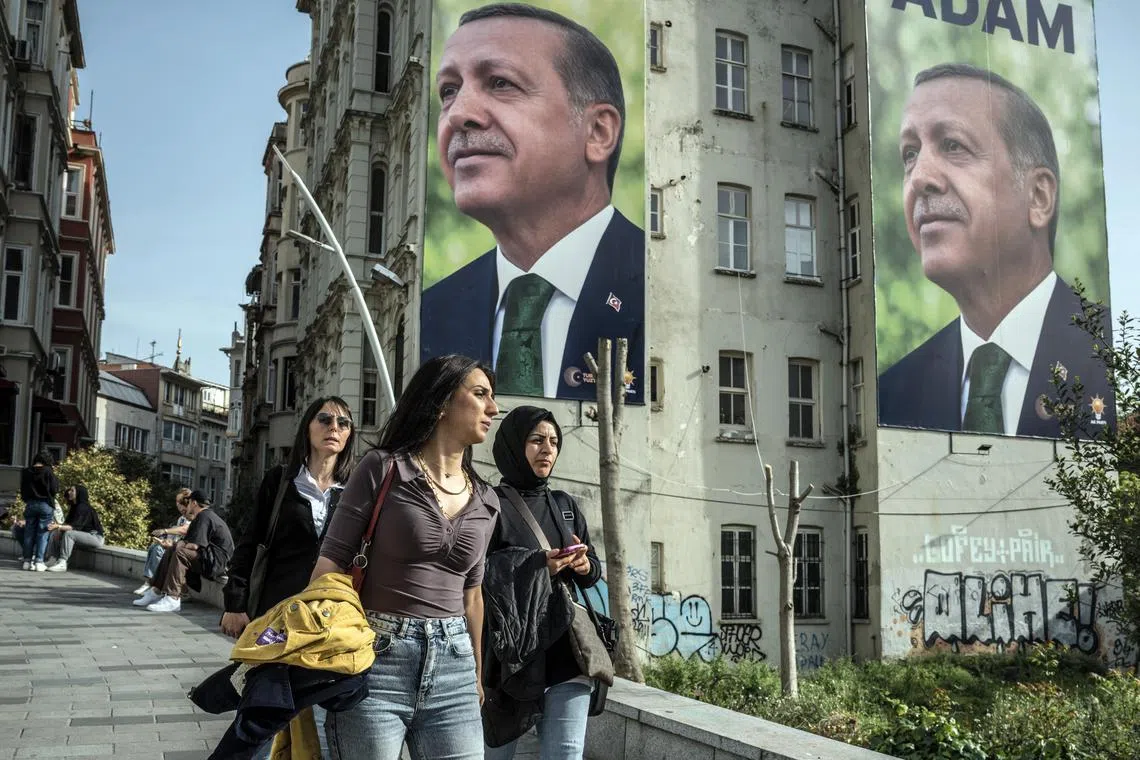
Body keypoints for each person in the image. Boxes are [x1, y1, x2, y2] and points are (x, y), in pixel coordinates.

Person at [421, 3, 645, 402]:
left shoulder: (663, 285)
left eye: (500, 83)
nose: (458, 114)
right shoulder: (430, 312)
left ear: (598, 132)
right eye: (449, 91)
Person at [878, 63, 1113, 437]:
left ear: (1038, 196)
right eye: (910, 154)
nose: (919, 177)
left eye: (952, 145)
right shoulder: (890, 397)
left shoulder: (1116, 354)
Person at [310, 354, 501, 760]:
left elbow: (473, 596)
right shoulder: (383, 469)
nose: (493, 408)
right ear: (442, 401)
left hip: (455, 669)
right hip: (375, 660)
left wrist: (477, 673)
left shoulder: (488, 500)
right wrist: (317, 649)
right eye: (480, 394)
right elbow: (330, 565)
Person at [221, 396, 357, 760]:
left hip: (330, 623)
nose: (334, 428)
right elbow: (250, 542)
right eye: (325, 419)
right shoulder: (280, 482)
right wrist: (235, 603)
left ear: (349, 435)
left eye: (343, 423)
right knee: (259, 716)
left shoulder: (356, 490)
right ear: (307, 427)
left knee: (328, 724)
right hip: (277, 617)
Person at [483, 406, 601, 759]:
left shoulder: (564, 505)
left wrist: (583, 565)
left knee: (566, 753)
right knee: (495, 755)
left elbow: (594, 572)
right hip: (511, 657)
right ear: (514, 445)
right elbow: (477, 574)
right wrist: (538, 567)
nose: (547, 449)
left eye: (553, 441)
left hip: (566, 651)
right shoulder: (490, 504)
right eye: (536, 440)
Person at [135, 490, 234, 613]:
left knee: (180, 553)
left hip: (217, 563)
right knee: (172, 550)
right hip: (210, 558)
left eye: (189, 502)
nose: (187, 506)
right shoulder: (204, 516)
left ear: (194, 503)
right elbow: (193, 543)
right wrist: (173, 545)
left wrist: (178, 544)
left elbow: (194, 545)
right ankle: (155, 591)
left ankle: (173, 599)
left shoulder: (204, 516)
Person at [133, 488, 192, 595]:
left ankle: (154, 585)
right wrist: (165, 540)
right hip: (177, 546)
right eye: (178, 502)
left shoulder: (192, 516)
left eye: (180, 502)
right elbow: (176, 536)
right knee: (154, 547)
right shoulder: (182, 518)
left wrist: (165, 531)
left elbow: (184, 530)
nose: (178, 505)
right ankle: (150, 582)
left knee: (158, 550)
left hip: (186, 550)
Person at [44, 484, 104, 572]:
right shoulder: (74, 507)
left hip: (95, 537)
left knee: (69, 534)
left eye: (72, 490)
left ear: (79, 493)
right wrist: (57, 527)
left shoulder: (83, 508)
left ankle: (62, 562)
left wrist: (59, 526)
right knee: (56, 532)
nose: (69, 492)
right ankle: (52, 559)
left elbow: (74, 527)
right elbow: (67, 524)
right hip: (83, 535)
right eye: (70, 490)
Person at [20, 451, 59, 572]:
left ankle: (27, 561)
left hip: (30, 503)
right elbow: (54, 489)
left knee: (29, 532)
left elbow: (23, 489)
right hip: (45, 504)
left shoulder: (26, 471)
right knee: (42, 533)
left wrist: (28, 499)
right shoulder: (48, 471)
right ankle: (39, 561)